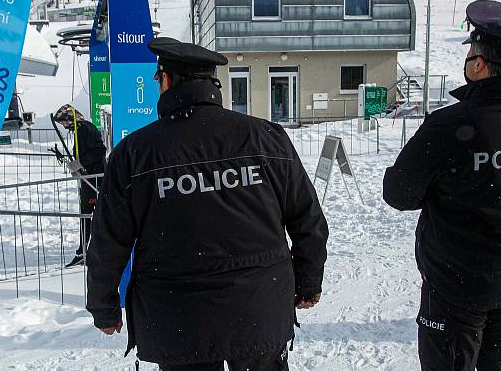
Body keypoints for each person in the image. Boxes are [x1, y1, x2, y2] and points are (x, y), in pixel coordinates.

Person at [85, 37, 328, 370]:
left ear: (166, 81)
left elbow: (107, 242)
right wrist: (308, 282)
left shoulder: (135, 154)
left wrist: (104, 306)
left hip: (179, 320)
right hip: (259, 310)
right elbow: (308, 220)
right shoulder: (266, 137)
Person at [383, 0, 501, 371]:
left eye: (471, 51)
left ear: (479, 64)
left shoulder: (452, 124)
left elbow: (399, 193)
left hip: (457, 290)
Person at [54, 104, 107, 268]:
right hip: (88, 178)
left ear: (70, 117)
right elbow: (85, 152)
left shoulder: (85, 128)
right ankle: (83, 250)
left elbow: (99, 150)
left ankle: (86, 252)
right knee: (87, 215)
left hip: (94, 180)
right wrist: (77, 166)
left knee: (90, 215)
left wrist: (80, 163)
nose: (63, 125)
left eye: (63, 122)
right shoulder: (79, 130)